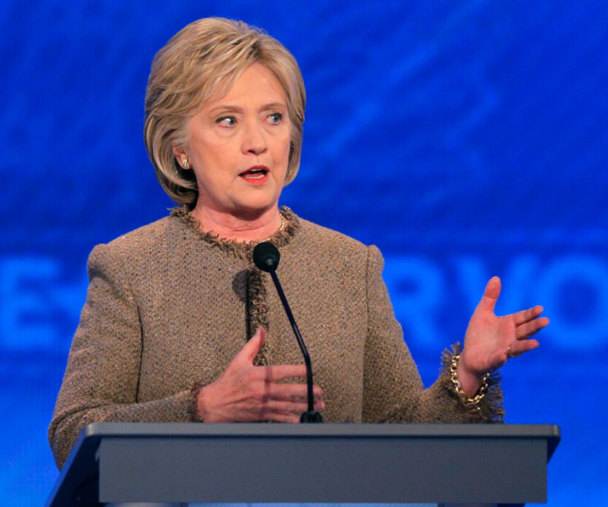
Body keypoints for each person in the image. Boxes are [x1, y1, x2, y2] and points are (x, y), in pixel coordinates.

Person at [48, 17, 548, 468]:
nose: (257, 141)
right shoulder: (132, 268)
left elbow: (402, 435)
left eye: (273, 117)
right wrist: (201, 409)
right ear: (179, 149)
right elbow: (73, 434)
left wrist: (467, 376)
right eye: (228, 120)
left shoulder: (350, 266)